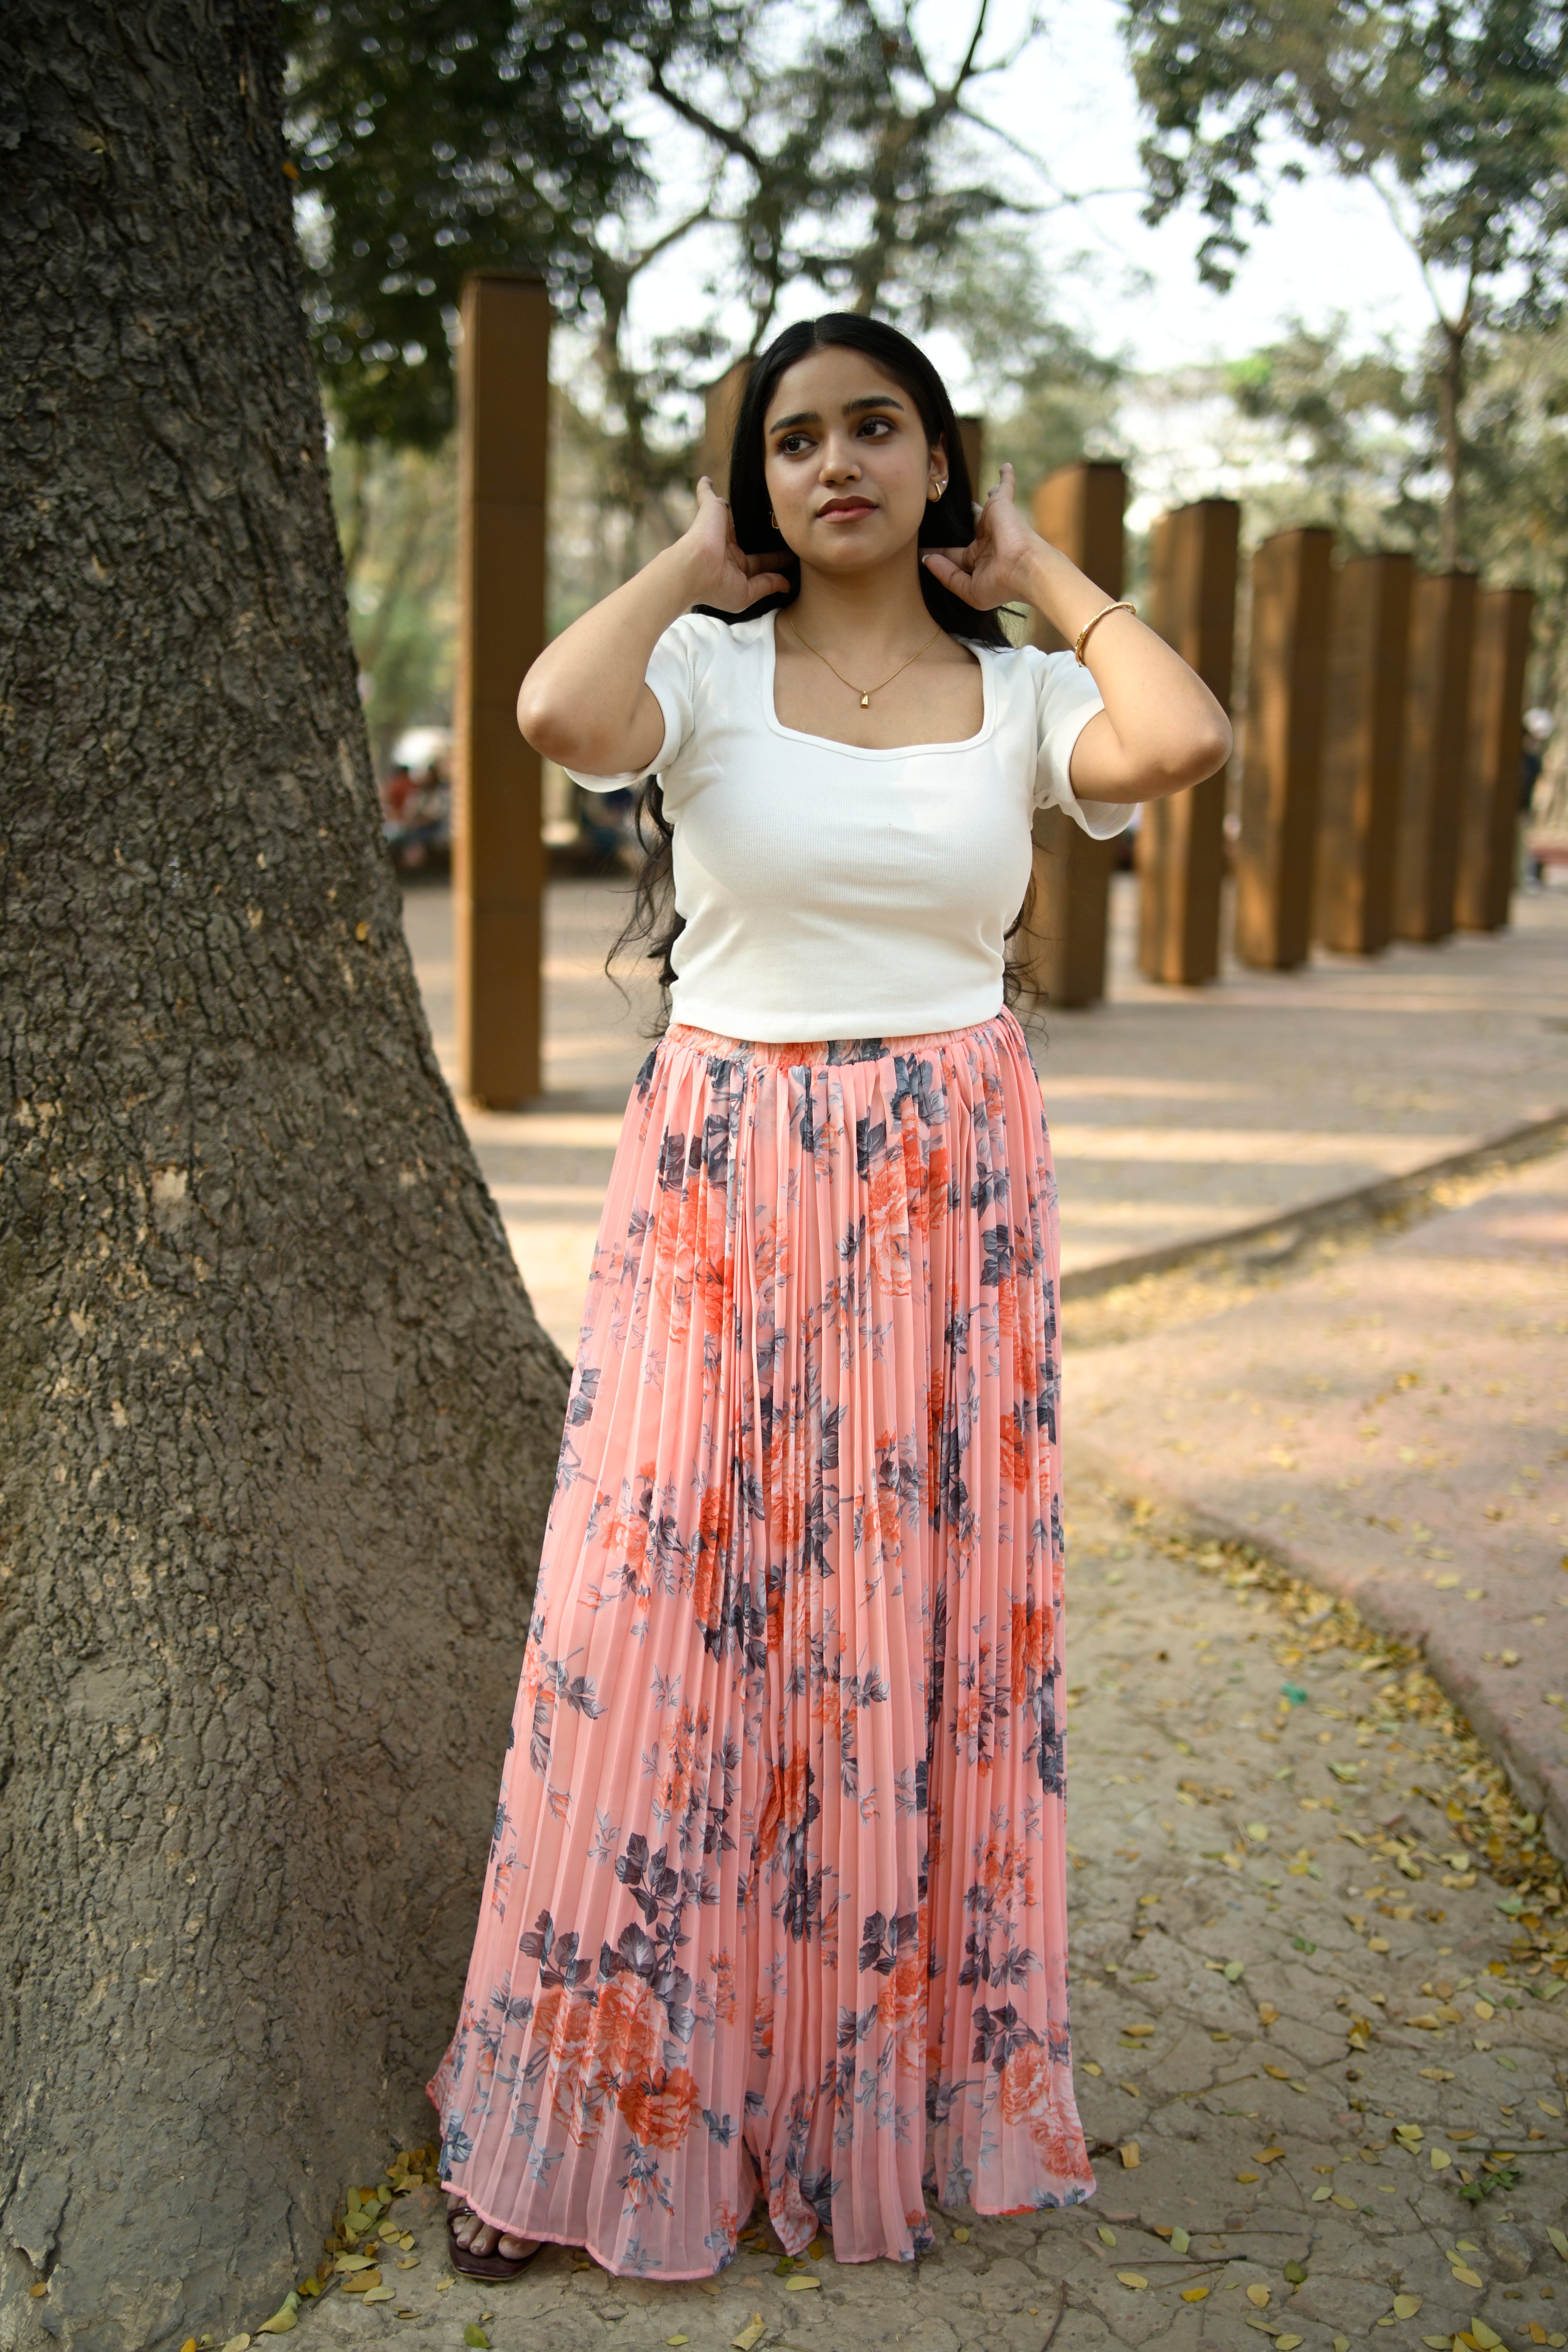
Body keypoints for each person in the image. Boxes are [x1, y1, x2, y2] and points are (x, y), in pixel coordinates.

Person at [430, 315, 1230, 2284]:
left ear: (939, 461)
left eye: (878, 429)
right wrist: (689, 564)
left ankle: (872, 2099)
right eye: (793, 442)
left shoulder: (1024, 695)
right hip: (725, 1178)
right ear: (758, 483)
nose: (836, 464)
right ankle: (579, 2122)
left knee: (903, 1635)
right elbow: (549, 710)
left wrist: (1037, 567)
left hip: (950, 1190)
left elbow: (1186, 737)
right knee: (658, 1622)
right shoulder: (702, 672)